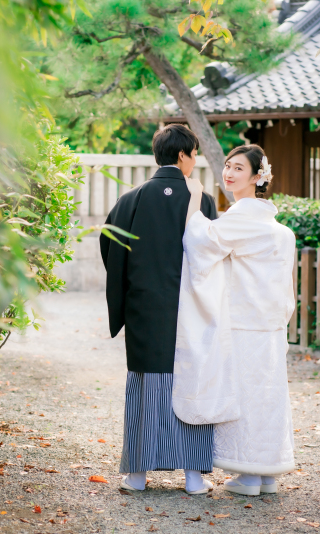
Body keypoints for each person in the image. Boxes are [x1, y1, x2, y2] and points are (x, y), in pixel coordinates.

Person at [99, 124, 219, 495]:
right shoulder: (201, 200)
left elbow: (110, 248)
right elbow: (212, 252)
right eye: (194, 154)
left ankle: (137, 473)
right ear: (183, 156)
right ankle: (194, 475)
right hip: (190, 308)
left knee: (146, 385)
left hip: (145, 308)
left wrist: (131, 288)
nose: (195, 160)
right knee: (192, 381)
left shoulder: (131, 199)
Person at [173, 144, 296, 496]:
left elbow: (202, 241)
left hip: (244, 323)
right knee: (268, 396)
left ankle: (250, 474)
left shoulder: (242, 219)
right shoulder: (278, 229)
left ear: (258, 177)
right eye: (227, 166)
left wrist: (194, 200)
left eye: (239, 168)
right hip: (271, 324)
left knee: (243, 396)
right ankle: (267, 474)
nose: (228, 172)